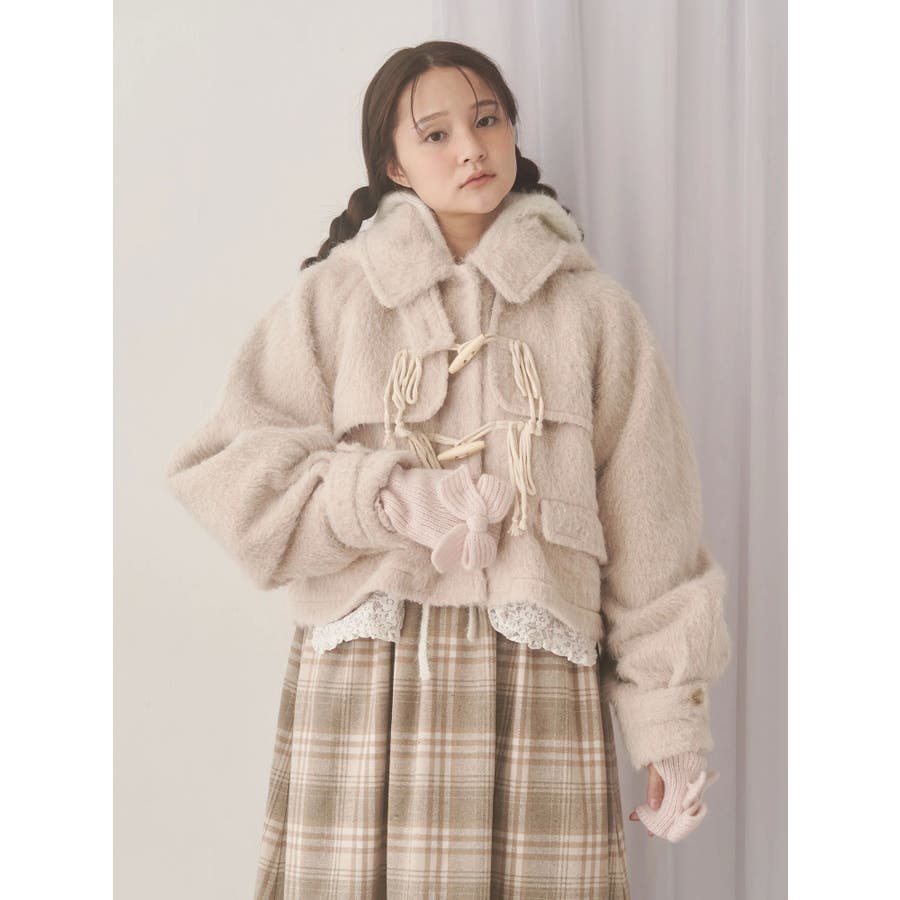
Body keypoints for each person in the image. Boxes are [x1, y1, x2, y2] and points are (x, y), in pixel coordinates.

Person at [165, 40, 731, 900]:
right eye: (436, 134)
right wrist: (385, 498)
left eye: (487, 120)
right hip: (366, 685)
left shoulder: (595, 313)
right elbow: (225, 471)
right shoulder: (334, 301)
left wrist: (669, 728)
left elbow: (656, 533)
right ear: (394, 163)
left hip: (536, 687)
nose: (471, 147)